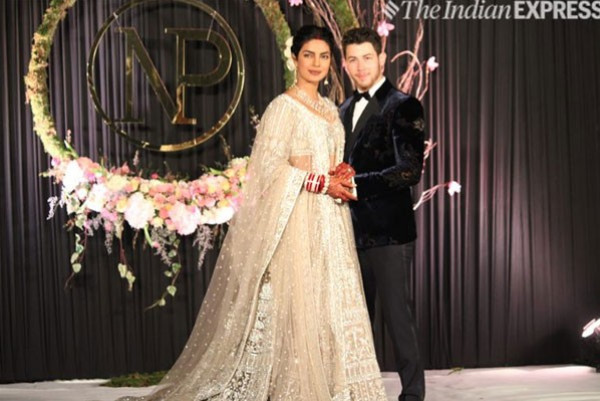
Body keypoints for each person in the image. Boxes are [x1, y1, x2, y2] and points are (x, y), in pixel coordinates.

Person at [117, 25, 387, 401]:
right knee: (296, 301)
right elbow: (268, 169)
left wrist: (339, 175)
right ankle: (295, 383)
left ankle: (335, 383)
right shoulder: (283, 107)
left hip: (331, 221)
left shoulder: (329, 109)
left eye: (324, 56)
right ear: (294, 58)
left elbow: (330, 161)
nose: (316, 63)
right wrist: (316, 181)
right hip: (296, 220)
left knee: (328, 302)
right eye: (308, 55)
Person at [339, 27, 427, 401]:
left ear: (382, 58)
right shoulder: (342, 109)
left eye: (367, 58)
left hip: (389, 233)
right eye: (353, 59)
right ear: (344, 64)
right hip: (348, 233)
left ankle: (413, 395)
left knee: (397, 319)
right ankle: (359, 392)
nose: (360, 66)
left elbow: (409, 170)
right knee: (355, 322)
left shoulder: (403, 105)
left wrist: (355, 185)